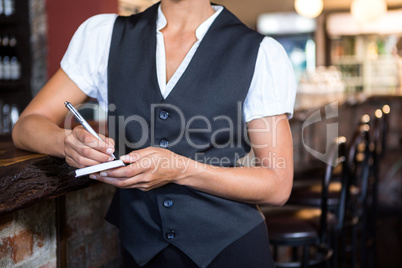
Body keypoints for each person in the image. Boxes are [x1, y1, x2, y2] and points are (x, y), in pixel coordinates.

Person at [12, 0, 296, 267]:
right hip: (141, 253)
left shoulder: (258, 52)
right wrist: (67, 143)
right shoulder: (105, 37)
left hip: (231, 251)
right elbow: (27, 124)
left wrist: (180, 170)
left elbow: (277, 184)